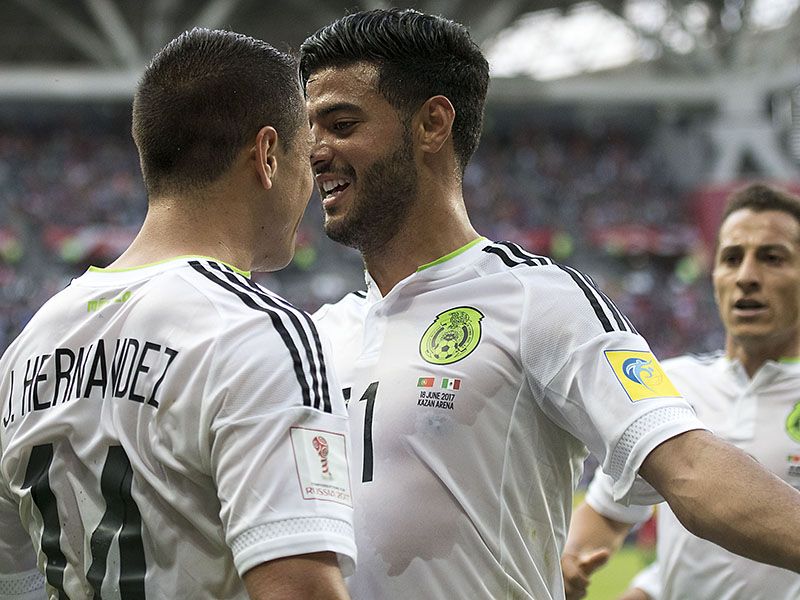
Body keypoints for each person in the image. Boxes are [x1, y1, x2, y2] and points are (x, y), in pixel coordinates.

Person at [301, 8, 800, 600]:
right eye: (311, 130)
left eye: (341, 124)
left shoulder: (538, 302)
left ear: (432, 124)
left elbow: (689, 469)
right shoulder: (315, 336)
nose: (316, 151)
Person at [0, 28, 355, 600]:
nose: (310, 186)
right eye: (304, 158)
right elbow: (299, 591)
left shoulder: (25, 351)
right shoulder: (257, 332)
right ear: (267, 155)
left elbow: (15, 586)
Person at [562, 182, 800, 600]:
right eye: (731, 258)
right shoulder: (668, 385)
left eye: (772, 258)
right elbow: (609, 511)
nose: (746, 277)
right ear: (714, 276)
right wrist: (570, 557)